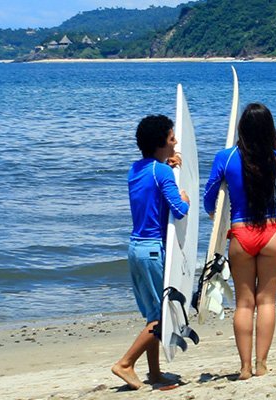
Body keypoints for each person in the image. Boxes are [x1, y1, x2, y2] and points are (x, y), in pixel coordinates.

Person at [203, 103, 276, 380]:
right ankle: (262, 363)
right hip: (273, 231)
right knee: (267, 302)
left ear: (241, 128)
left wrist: (215, 214)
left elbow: (210, 197)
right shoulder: (275, 157)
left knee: (244, 304)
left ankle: (245, 368)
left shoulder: (224, 158)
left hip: (241, 233)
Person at [116, 115, 188, 390]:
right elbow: (179, 211)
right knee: (163, 316)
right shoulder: (162, 172)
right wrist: (185, 198)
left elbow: (153, 187)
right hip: (153, 252)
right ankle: (125, 363)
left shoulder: (136, 169)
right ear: (161, 144)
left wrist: (167, 163)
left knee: (152, 314)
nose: (176, 142)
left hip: (135, 249)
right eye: (172, 139)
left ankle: (155, 374)